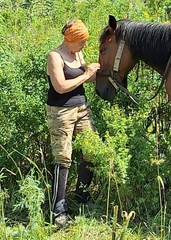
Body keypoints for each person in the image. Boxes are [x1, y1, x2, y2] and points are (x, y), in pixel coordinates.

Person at [46, 19, 100, 228]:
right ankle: (58, 210)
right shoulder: (55, 57)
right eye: (82, 41)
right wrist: (86, 74)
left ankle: (82, 196)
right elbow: (60, 86)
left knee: (92, 151)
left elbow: (85, 78)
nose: (84, 45)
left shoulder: (77, 53)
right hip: (61, 112)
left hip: (82, 109)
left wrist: (95, 73)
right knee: (63, 157)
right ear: (70, 40)